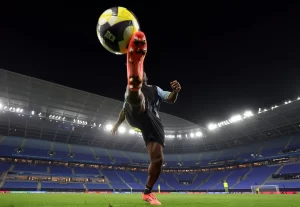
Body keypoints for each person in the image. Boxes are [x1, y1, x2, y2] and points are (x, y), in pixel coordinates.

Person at [111, 31, 181, 205]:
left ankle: (147, 194)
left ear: (146, 77)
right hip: (135, 113)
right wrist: (117, 125)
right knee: (136, 100)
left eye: (142, 76)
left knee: (158, 159)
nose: (143, 77)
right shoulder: (137, 91)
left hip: (152, 123)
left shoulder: (155, 89)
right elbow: (123, 111)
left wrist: (175, 91)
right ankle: (133, 70)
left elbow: (170, 99)